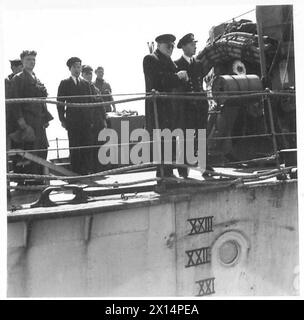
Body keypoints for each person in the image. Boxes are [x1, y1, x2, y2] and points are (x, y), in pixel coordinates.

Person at [143, 33, 189, 178]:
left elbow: (177, 82)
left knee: (170, 139)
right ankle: (163, 173)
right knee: (161, 140)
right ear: (159, 45)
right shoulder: (151, 59)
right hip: (158, 107)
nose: (170, 48)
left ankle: (167, 172)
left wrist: (182, 78)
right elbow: (160, 80)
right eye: (167, 46)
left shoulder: (169, 62)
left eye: (172, 46)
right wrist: (178, 77)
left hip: (169, 107)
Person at [9, 50, 53, 183]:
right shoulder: (18, 79)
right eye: (28, 59)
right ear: (22, 61)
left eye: (33, 59)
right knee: (30, 153)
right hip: (28, 122)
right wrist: (22, 124)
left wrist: (45, 118)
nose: (32, 62)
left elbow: (41, 101)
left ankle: (40, 180)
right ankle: (30, 182)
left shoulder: (36, 78)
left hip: (39, 121)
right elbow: (14, 103)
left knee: (42, 150)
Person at [175, 33, 210, 177]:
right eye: (191, 44)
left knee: (201, 136)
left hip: (200, 106)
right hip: (186, 107)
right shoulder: (177, 65)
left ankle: (205, 166)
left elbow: (200, 83)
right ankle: (183, 168)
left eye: (195, 44)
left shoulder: (199, 64)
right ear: (183, 47)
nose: (195, 46)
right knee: (186, 137)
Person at [57, 57, 97, 174]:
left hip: (85, 121)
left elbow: (91, 102)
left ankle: (86, 171)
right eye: (74, 67)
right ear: (70, 68)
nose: (77, 69)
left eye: (79, 66)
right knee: (74, 146)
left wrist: (91, 119)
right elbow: (60, 104)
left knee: (87, 145)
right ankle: (76, 172)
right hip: (72, 121)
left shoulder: (86, 84)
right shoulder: (64, 83)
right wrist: (62, 120)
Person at [81, 65, 107, 172]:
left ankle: (99, 169)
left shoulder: (95, 89)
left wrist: (104, 120)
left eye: (90, 73)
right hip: (86, 123)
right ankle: (89, 169)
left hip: (97, 122)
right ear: (82, 75)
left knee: (99, 146)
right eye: (86, 73)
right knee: (88, 147)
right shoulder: (80, 88)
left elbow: (101, 105)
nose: (89, 76)